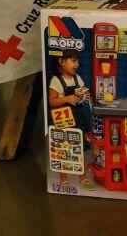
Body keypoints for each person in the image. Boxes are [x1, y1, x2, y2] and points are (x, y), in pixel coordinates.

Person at [47, 50, 94, 188]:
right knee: (63, 149)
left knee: (78, 148)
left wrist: (84, 97)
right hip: (64, 121)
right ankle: (63, 177)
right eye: (73, 61)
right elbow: (52, 101)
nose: (77, 64)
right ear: (61, 62)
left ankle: (82, 176)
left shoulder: (77, 79)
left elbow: (81, 96)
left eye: (77, 61)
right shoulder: (56, 81)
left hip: (78, 118)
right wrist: (66, 98)